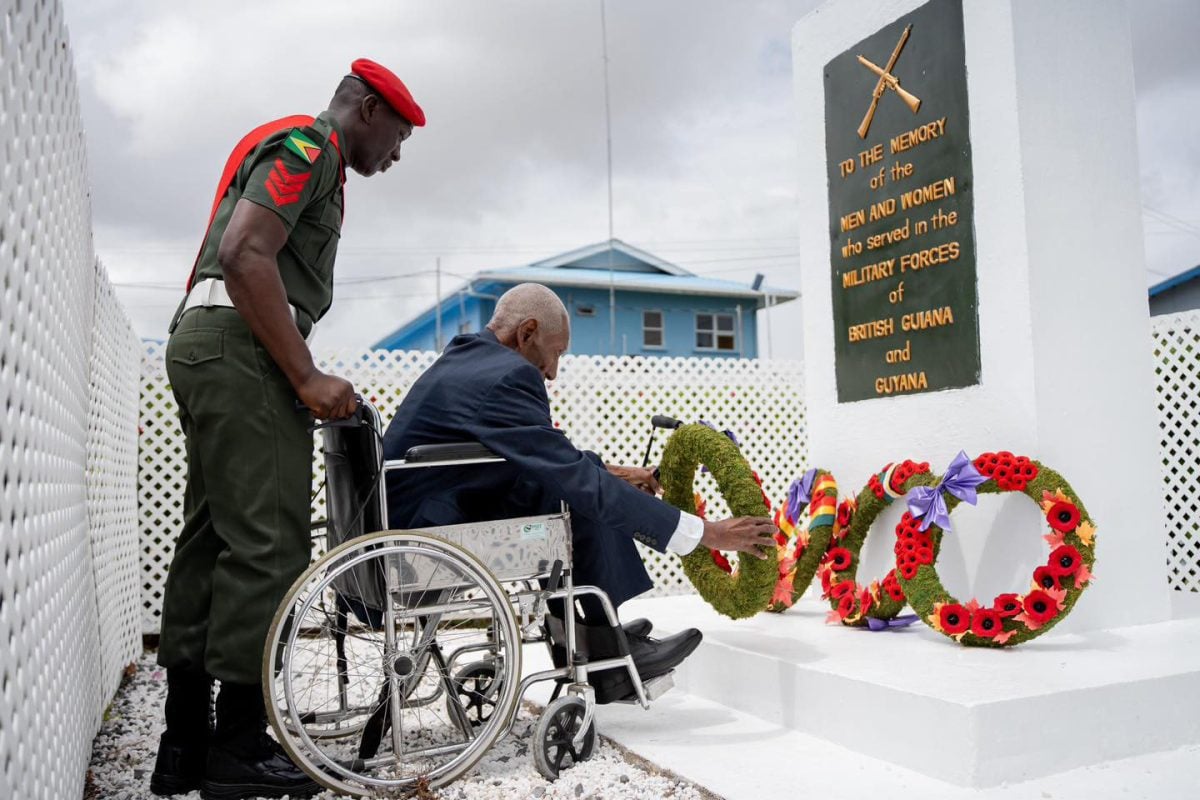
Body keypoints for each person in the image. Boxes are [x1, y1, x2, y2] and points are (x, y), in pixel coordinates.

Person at [151, 60, 424, 800]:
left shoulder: (314, 161)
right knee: (269, 543)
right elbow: (245, 254)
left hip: (214, 339)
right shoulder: (308, 150)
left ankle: (185, 741)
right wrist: (304, 376)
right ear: (366, 110)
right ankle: (237, 746)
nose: (396, 155)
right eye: (397, 135)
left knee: (213, 539)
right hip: (241, 347)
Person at [382, 283, 776, 703]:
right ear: (527, 332)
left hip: (412, 515)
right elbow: (569, 476)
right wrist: (709, 534)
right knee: (577, 498)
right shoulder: (508, 375)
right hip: (426, 538)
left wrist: (619, 473)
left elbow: (532, 453)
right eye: (557, 353)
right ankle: (607, 656)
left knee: (581, 483)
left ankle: (601, 639)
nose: (552, 371)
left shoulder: (469, 357)